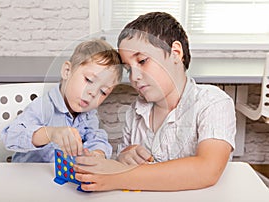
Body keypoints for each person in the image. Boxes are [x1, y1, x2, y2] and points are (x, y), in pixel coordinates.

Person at [74, 12, 236, 191]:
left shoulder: (213, 102)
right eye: (128, 69)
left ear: (175, 53)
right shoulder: (135, 112)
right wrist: (125, 157)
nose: (134, 77)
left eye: (142, 61)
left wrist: (118, 176)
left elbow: (207, 170)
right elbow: (123, 159)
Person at [1, 39, 123, 162]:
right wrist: (51, 134)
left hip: (59, 178)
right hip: (30, 175)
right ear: (67, 71)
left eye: (103, 91)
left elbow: (96, 138)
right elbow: (11, 136)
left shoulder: (89, 115)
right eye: (89, 80)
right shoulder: (44, 107)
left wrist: (97, 153)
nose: (93, 93)